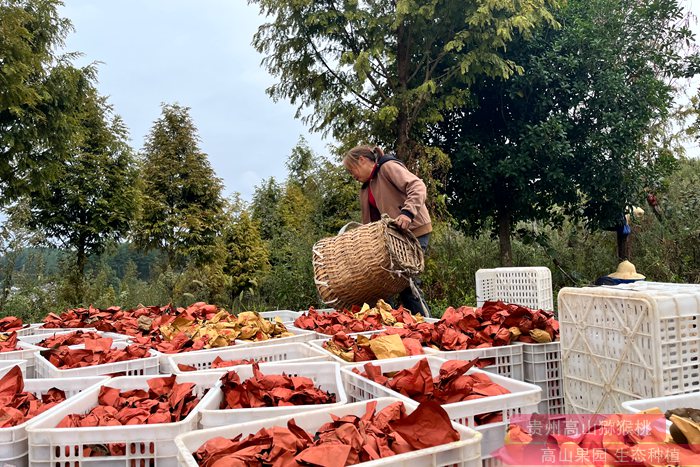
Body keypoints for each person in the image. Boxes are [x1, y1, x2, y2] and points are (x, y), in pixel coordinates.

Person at [342, 145, 432, 316]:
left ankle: (428, 328)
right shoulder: (366, 188)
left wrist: (407, 213)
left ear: (362, 160)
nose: (352, 175)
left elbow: (417, 186)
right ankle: (393, 327)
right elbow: (370, 223)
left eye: (351, 169)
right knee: (382, 286)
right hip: (393, 239)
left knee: (407, 283)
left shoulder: (387, 167)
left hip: (414, 232)